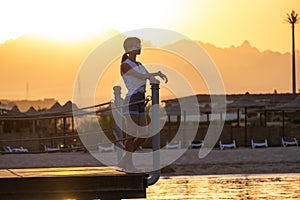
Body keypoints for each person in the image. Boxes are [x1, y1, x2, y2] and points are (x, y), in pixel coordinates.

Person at [118, 37, 168, 173]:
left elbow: (147, 76)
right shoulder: (125, 64)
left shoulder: (139, 64)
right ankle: (128, 165)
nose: (140, 47)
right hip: (132, 100)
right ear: (130, 48)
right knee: (132, 133)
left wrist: (155, 76)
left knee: (145, 133)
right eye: (137, 45)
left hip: (140, 100)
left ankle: (124, 160)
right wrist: (154, 74)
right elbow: (141, 77)